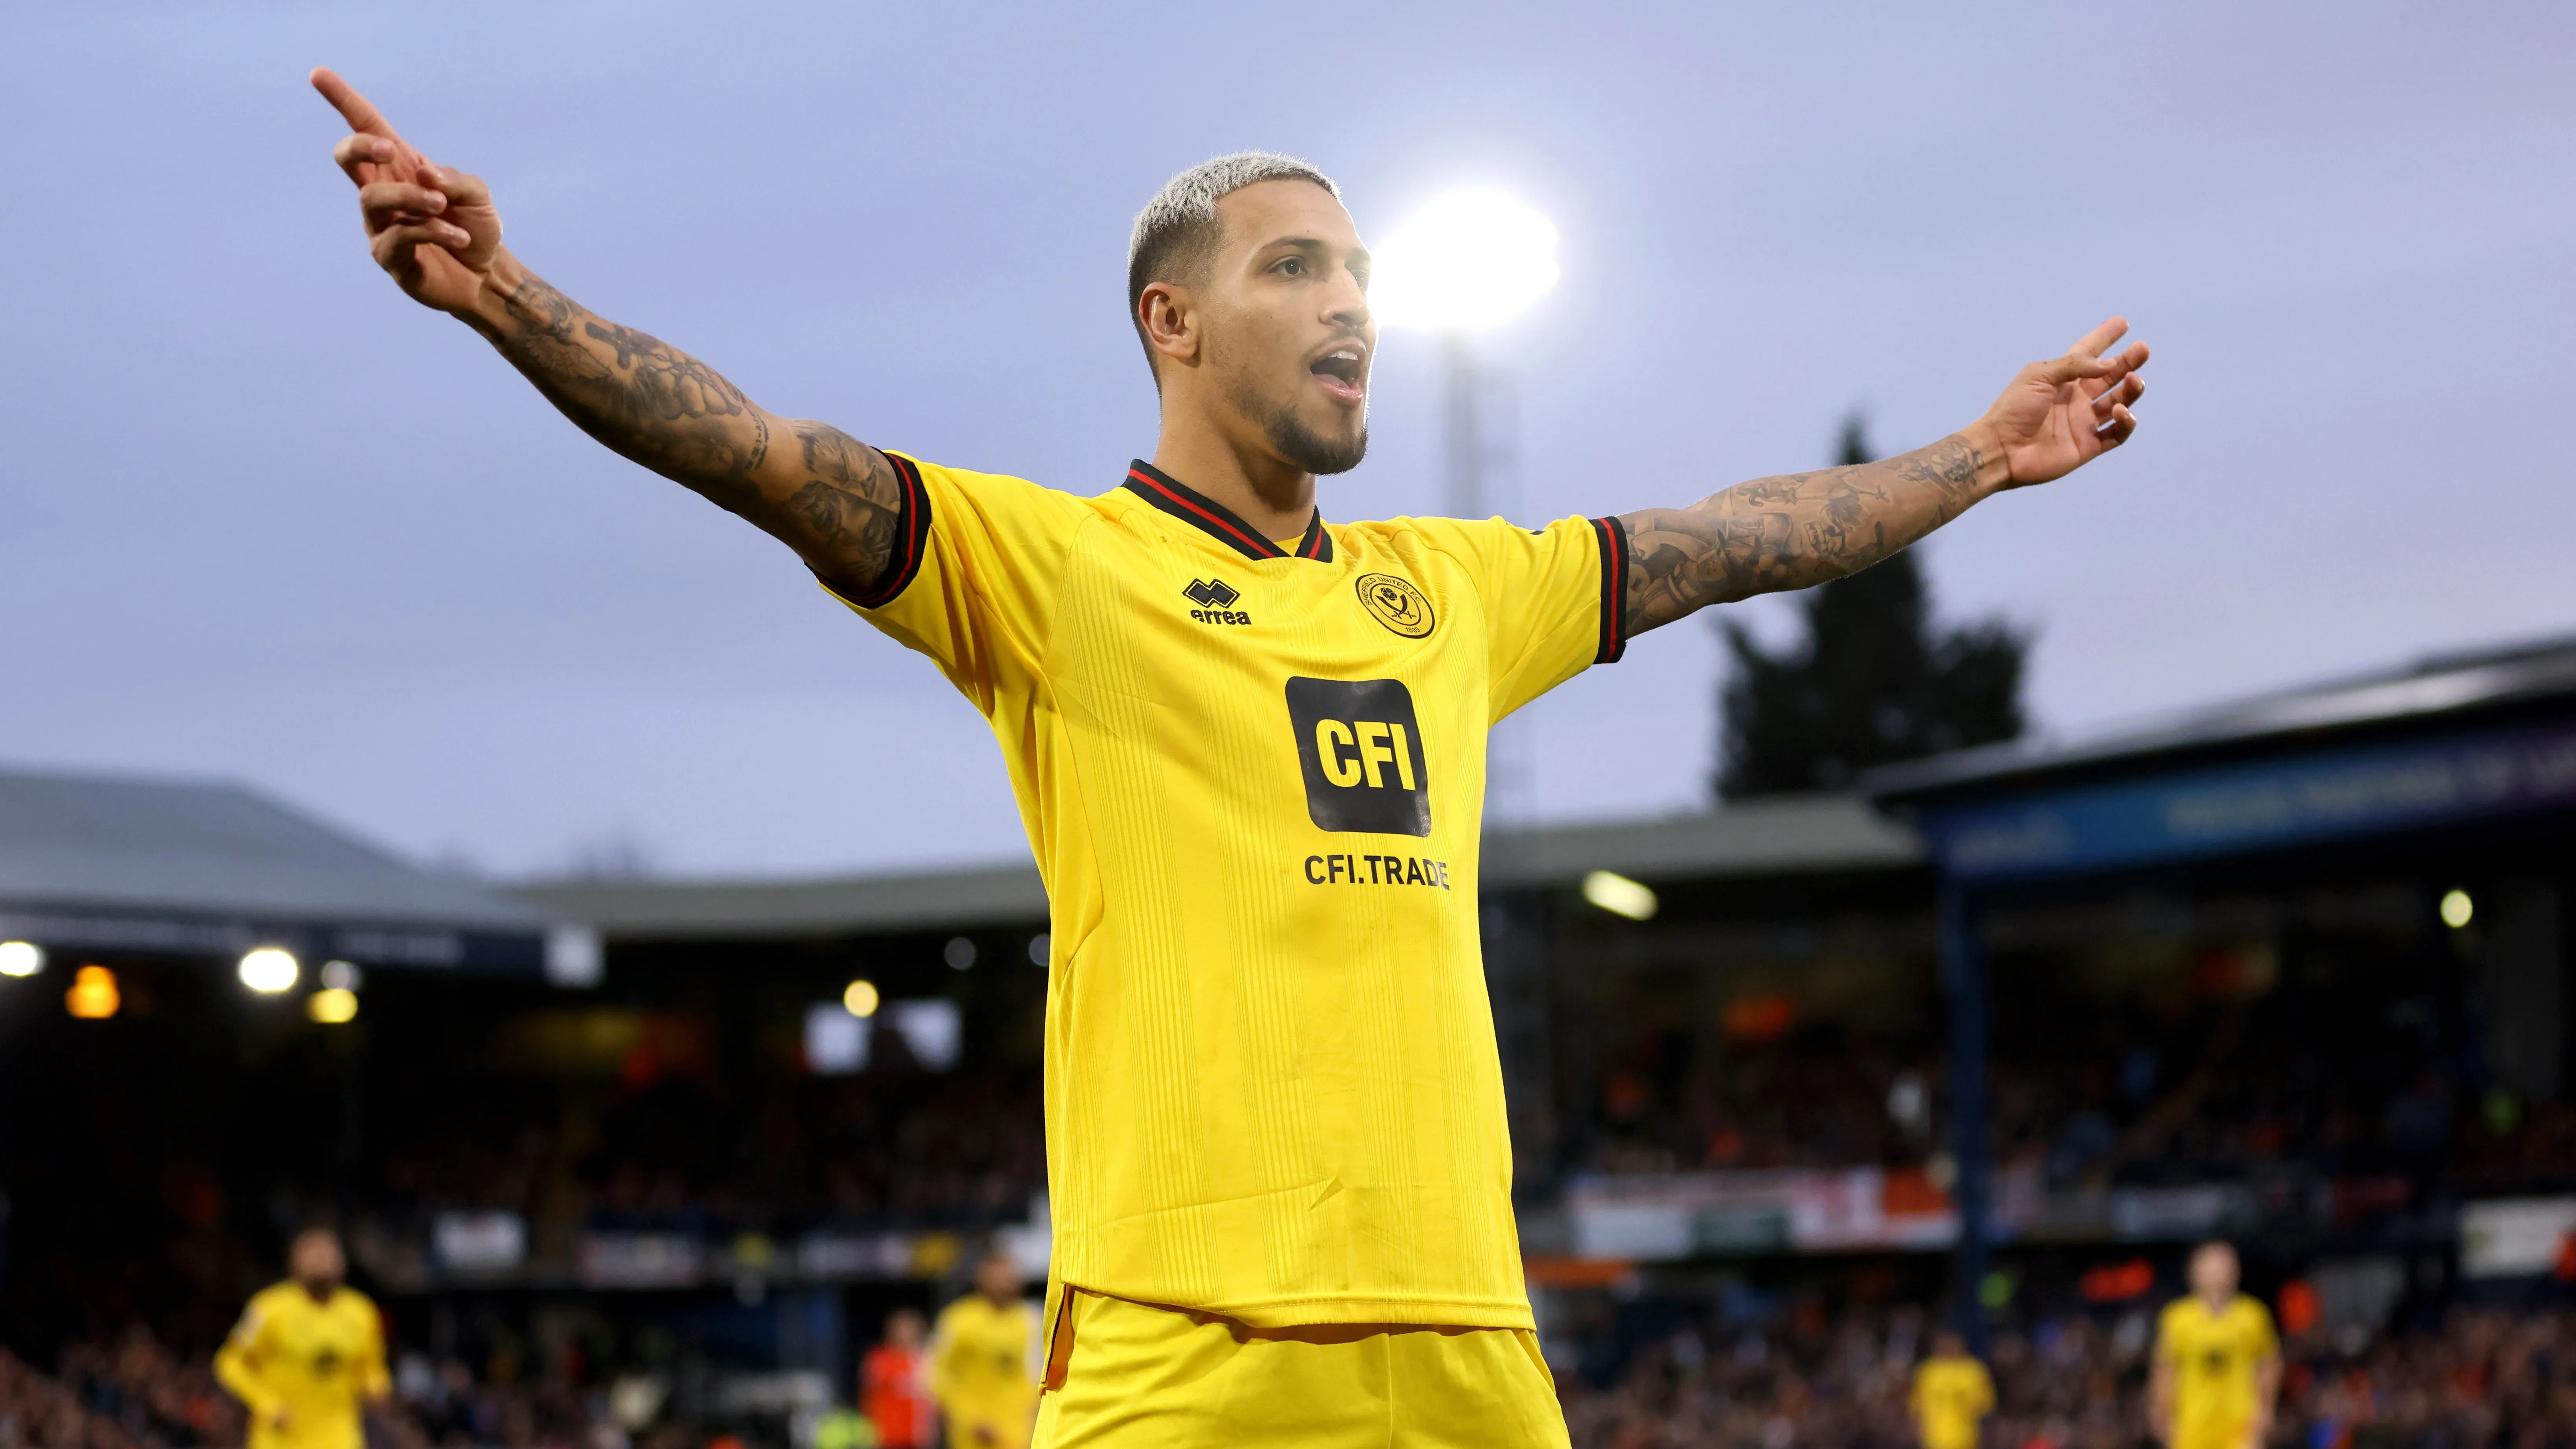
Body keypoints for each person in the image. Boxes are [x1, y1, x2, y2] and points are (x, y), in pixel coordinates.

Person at [310, 69, 2148, 1447]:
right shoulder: (1052, 573)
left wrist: (1979, 453)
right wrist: (509, 297)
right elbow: (772, 459)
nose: (1352, 305)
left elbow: (1737, 532)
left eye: (1359, 270)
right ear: (1169, 324)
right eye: (1294, 268)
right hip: (1181, 1345)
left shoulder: (1454, 594)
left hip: (1465, 1344)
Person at [214, 1228, 390, 1449]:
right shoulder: (268, 1309)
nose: (323, 1261)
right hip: (282, 1438)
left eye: (329, 1254)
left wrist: (377, 1387)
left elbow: (372, 1366)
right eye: (314, 1254)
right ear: (295, 1261)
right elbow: (229, 1363)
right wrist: (267, 1404)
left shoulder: (362, 1312)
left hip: (340, 1436)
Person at [2149, 1243, 2282, 1449]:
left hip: (2241, 1426)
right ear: (2194, 1272)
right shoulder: (2177, 1319)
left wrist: (2266, 1409)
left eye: (2225, 1264)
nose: (2219, 1271)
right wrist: (2162, 1414)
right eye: (2211, 1264)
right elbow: (2166, 1370)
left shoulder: (2253, 1316)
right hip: (2191, 1425)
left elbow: (2269, 1364)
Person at [930, 1256, 1038, 1449]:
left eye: (1011, 1277)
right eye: (999, 1277)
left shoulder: (1031, 1321)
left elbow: (1039, 1374)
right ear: (982, 1280)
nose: (1007, 1283)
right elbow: (938, 1373)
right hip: (973, 1435)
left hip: (1019, 1434)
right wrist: (968, 1418)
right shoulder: (959, 1321)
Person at [863, 1308, 937, 1449]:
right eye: (903, 1329)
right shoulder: (879, 1360)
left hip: (919, 1436)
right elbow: (870, 1398)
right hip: (890, 1436)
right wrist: (872, 1433)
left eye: (912, 1329)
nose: (908, 1334)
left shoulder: (925, 1359)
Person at [1910, 1329, 1995, 1449]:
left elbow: (1986, 1407)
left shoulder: (1974, 1371)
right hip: (1933, 1440)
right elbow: (1917, 1407)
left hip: (1966, 1439)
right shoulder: (1928, 1371)